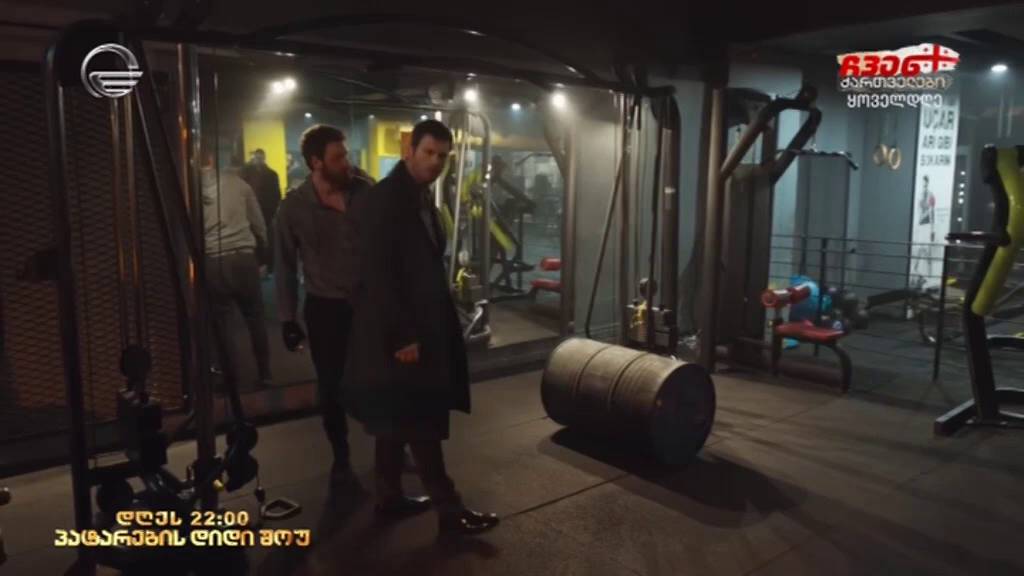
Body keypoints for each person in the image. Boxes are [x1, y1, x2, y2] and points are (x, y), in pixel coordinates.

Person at [345, 120, 500, 536]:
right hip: (402, 333)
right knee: (421, 420)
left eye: (442, 156)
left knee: (398, 418)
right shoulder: (386, 200)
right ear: (409, 151)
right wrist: (402, 336)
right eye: (429, 152)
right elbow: (377, 274)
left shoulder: (417, 196)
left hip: (415, 327)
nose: (435, 162)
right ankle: (450, 510)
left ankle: (389, 496)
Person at [275, 125, 374, 487]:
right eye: (338, 157)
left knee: (382, 379)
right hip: (325, 310)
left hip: (369, 306)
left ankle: (393, 450)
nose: (347, 162)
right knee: (331, 387)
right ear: (316, 162)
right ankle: (341, 459)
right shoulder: (294, 207)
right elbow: (284, 265)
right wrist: (287, 319)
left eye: (346, 155)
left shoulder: (365, 191)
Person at [202, 151, 272, 390]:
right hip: (243, 258)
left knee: (223, 322)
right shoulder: (240, 185)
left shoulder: (193, 188)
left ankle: (230, 378)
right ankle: (265, 373)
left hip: (214, 260)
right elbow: (259, 224)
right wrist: (263, 251)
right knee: (255, 318)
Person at [241, 148, 282, 273]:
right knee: (259, 239)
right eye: (256, 158)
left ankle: (266, 265)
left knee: (264, 239)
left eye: (259, 158)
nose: (258, 160)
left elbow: (276, 196)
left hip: (264, 212)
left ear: (263, 159)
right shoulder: (248, 173)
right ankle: (261, 265)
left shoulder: (270, 174)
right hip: (255, 211)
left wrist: (271, 211)